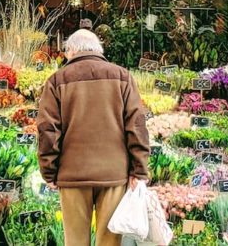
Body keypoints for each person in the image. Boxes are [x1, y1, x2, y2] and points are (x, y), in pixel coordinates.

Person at [36, 29, 150, 246]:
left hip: (72, 176)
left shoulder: (57, 80)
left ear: (71, 50)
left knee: (75, 241)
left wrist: (48, 171)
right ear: (99, 50)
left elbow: (48, 130)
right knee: (109, 241)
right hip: (113, 175)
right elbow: (136, 126)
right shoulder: (122, 77)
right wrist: (139, 169)